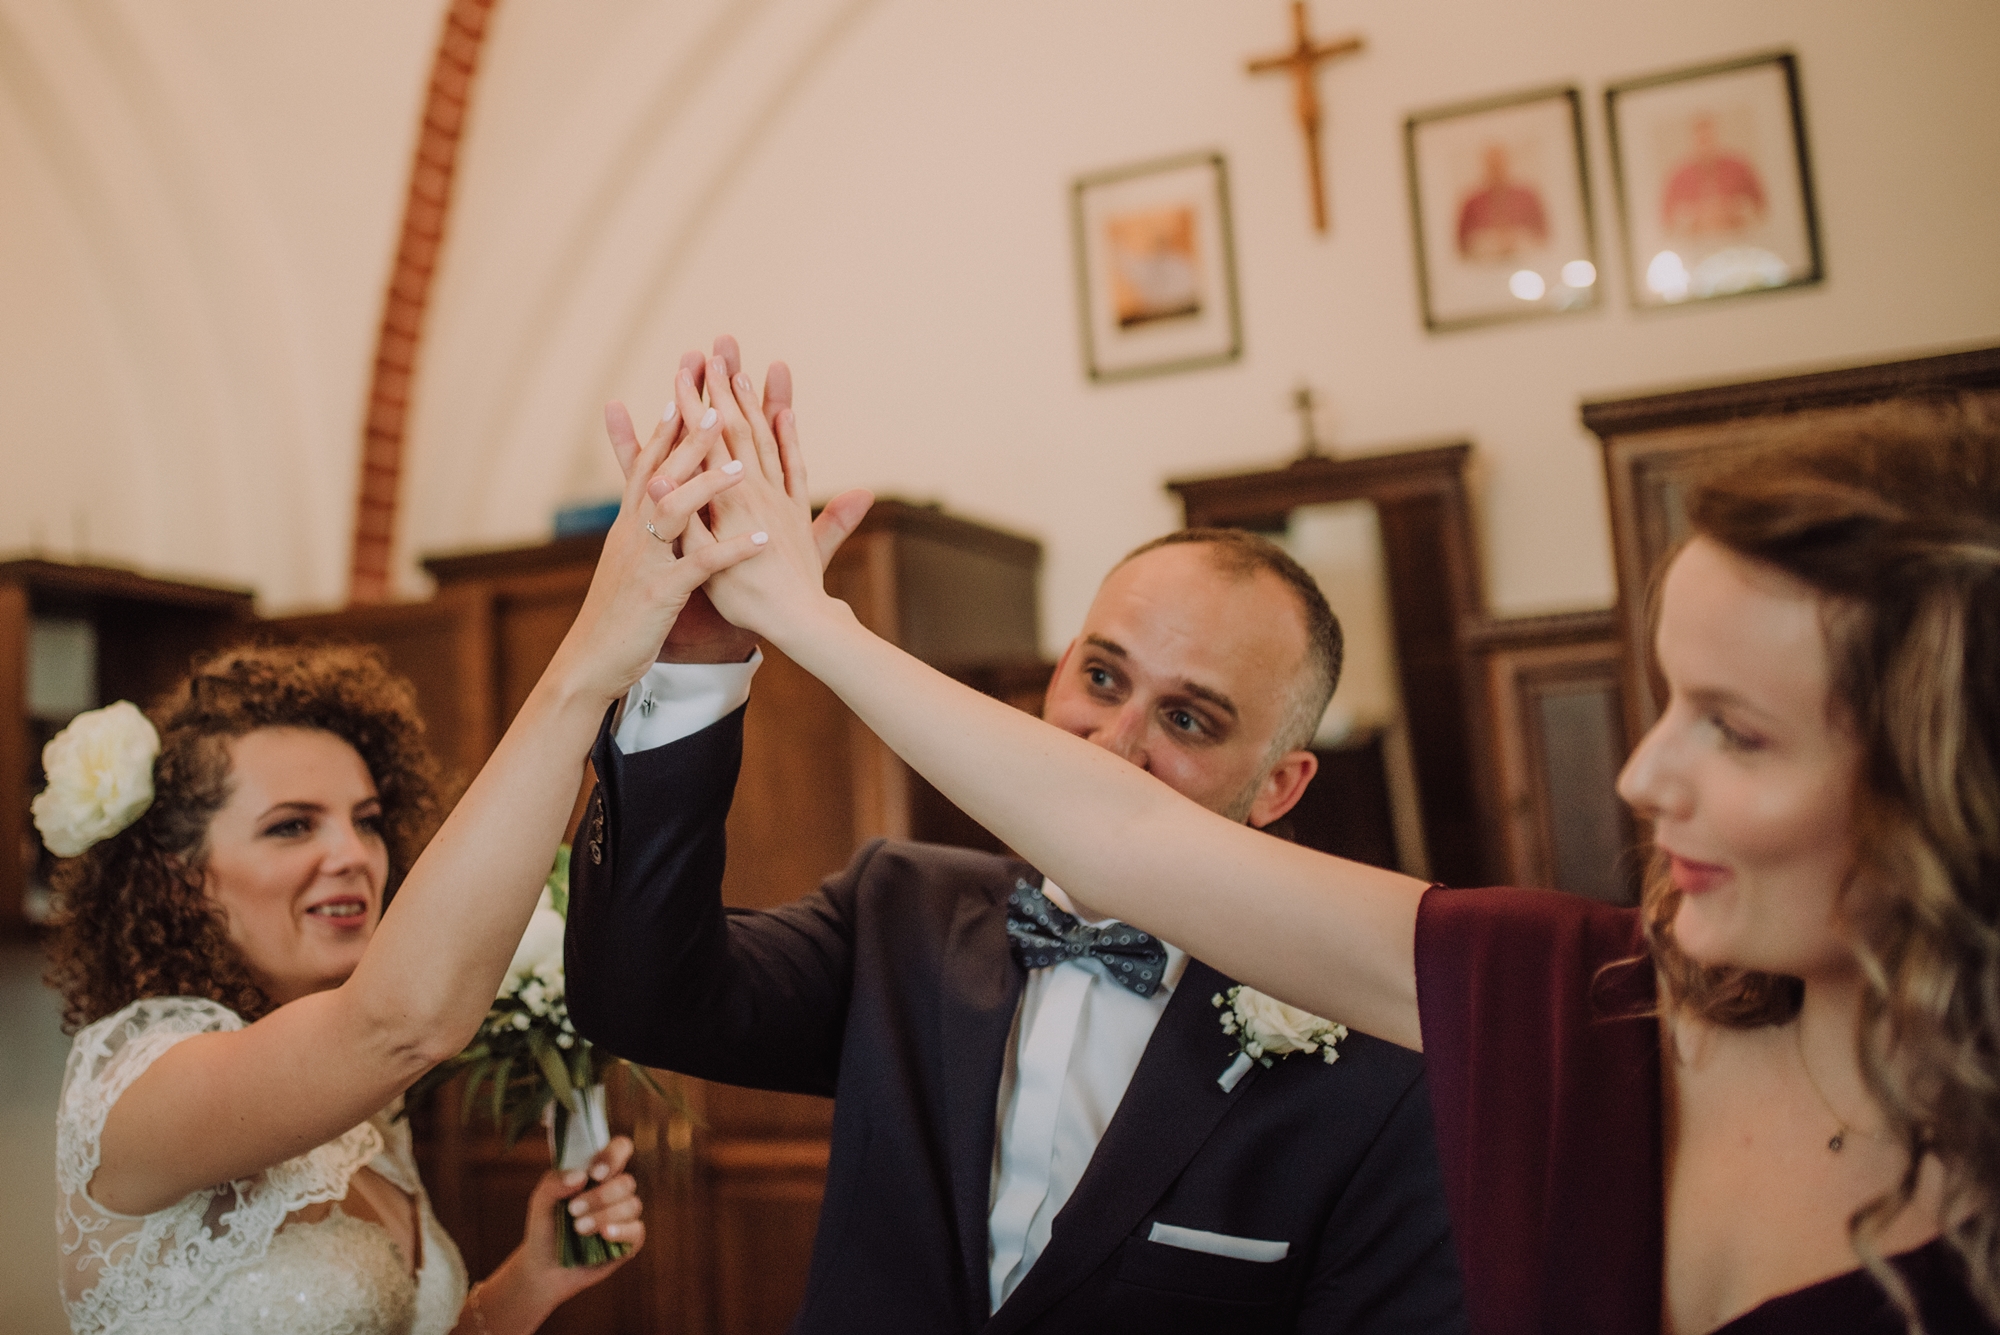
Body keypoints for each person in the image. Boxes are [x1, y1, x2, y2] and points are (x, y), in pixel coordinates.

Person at [669, 374, 2000, 1335]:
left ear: (1945, 788)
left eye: (1739, 731)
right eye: (1667, 703)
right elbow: (1121, 837)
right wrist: (801, 619)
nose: (1642, 777)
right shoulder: (1579, 994)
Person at [564, 343, 1466, 1333]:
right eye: (1102, 678)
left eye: (1188, 719)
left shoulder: (1382, 1058)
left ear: (1279, 786)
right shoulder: (899, 911)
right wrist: (697, 666)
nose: (1115, 742)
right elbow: (640, 1001)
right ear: (1059, 670)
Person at [45, 420, 767, 1334]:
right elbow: (401, 1021)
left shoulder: (366, 1110)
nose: (352, 852)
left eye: (367, 819)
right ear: (182, 877)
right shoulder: (137, 1086)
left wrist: (526, 1284)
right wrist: (589, 663)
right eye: (292, 825)